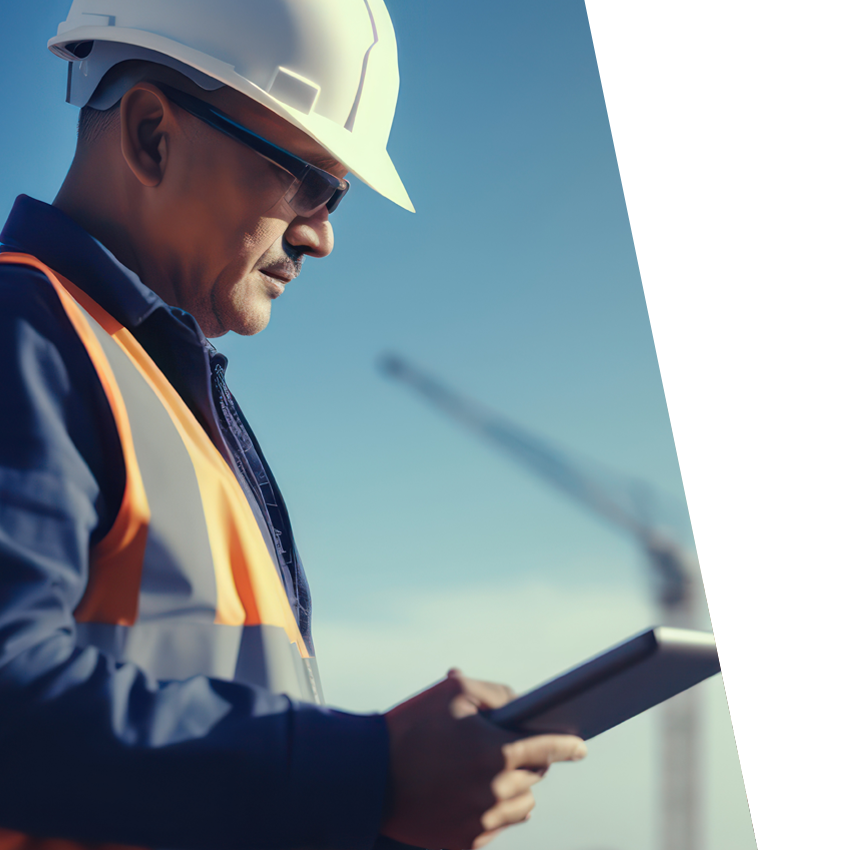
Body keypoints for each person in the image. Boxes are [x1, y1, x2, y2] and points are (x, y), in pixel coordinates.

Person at [0, 3, 587, 850]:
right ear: (153, 135)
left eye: (338, 195)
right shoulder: (28, 336)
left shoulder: (160, 390)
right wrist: (368, 773)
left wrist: (385, 812)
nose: (322, 235)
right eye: (306, 180)